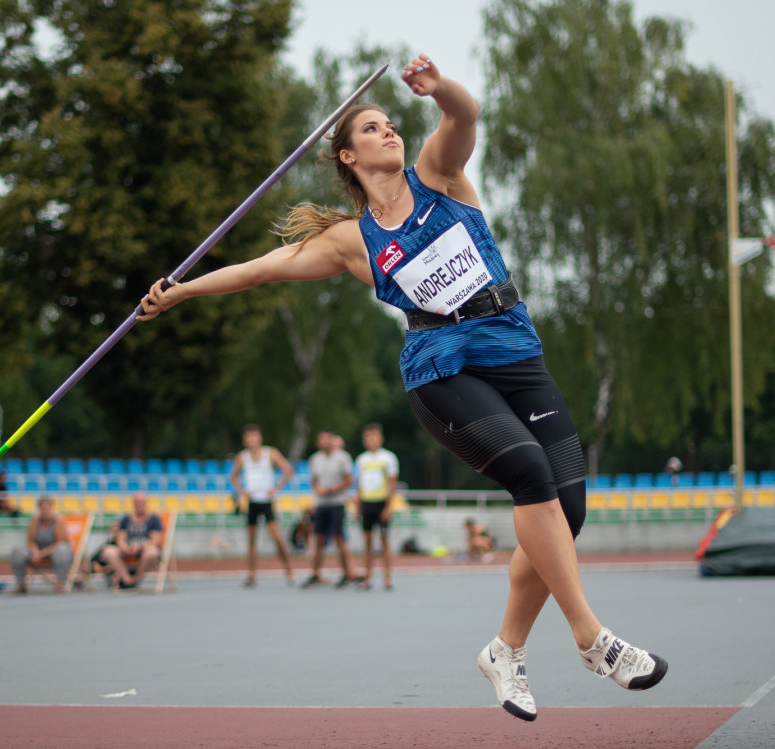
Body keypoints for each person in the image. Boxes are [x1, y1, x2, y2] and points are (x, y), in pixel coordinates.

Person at [137, 53, 667, 721]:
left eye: (391, 122)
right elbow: (258, 271)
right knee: (531, 474)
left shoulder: (439, 174)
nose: (389, 130)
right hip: (441, 370)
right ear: (347, 156)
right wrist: (181, 290)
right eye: (371, 128)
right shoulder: (350, 241)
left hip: (513, 348)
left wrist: (438, 86)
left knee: (568, 508)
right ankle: (592, 638)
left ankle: (506, 648)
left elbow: (464, 114)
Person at [229, 424, 297, 587]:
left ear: (259, 438)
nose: (251, 440)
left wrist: (276, 487)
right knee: (251, 540)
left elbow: (288, 470)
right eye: (248, 437)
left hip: (267, 501)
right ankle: (251, 574)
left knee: (277, 537)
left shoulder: (270, 453)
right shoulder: (242, 457)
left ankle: (289, 570)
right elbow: (234, 477)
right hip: (252, 501)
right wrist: (242, 491)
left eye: (254, 436)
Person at [300, 430, 357, 588]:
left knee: (339, 538)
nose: (324, 443)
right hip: (321, 504)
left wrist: (332, 490)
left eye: (327, 440)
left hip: (337, 503)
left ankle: (346, 574)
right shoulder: (315, 460)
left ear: (332, 441)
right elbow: (314, 481)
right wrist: (318, 489)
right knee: (319, 539)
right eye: (321, 440)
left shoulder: (342, 458)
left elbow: (348, 480)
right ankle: (315, 574)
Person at [353, 423, 399, 590]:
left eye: (374, 437)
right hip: (367, 503)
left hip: (381, 503)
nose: (371, 440)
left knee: (384, 540)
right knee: (367, 541)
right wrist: (357, 507)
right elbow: (359, 485)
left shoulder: (388, 458)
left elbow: (392, 484)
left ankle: (387, 577)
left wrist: (388, 507)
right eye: (368, 437)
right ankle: (368, 576)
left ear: (380, 438)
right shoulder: (361, 460)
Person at [10, 495, 73, 594]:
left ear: (52, 508)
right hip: (39, 549)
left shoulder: (58, 520)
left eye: (47, 508)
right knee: (18, 551)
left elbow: (59, 541)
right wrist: (35, 552)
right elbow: (30, 540)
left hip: (54, 550)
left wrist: (41, 554)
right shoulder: (35, 520)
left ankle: (60, 583)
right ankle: (21, 584)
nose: (45, 511)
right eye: (42, 508)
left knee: (62, 550)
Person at [99, 492, 163, 589]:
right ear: (133, 504)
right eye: (137, 502)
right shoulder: (126, 520)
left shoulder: (154, 520)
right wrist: (124, 547)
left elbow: (155, 540)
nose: (139, 505)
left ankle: (136, 579)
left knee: (152, 552)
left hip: (144, 549)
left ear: (146, 503)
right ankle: (126, 579)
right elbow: (120, 538)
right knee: (108, 551)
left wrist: (140, 547)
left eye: (142, 502)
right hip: (127, 549)